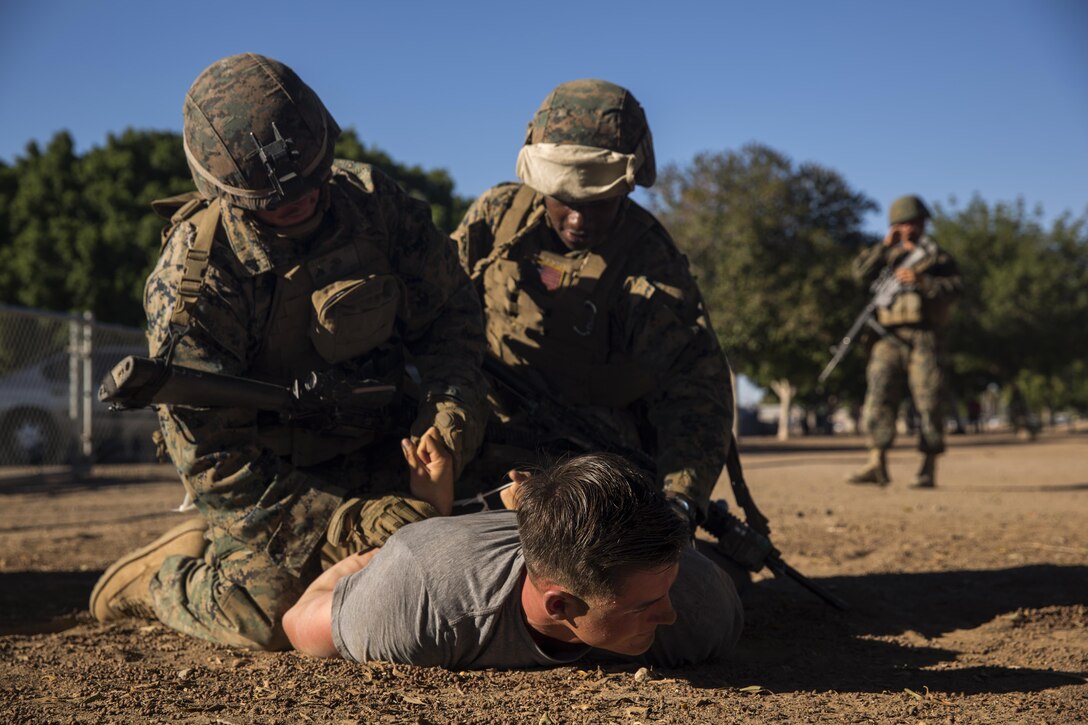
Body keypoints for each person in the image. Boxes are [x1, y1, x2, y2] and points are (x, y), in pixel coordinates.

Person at [89, 53, 488, 650]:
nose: (296, 201)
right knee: (271, 613)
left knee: (516, 512)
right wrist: (345, 523)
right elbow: (216, 462)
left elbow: (452, 319)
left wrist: (448, 418)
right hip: (280, 484)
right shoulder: (196, 284)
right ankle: (158, 578)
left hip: (392, 449)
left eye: (309, 179)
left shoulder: (375, 204)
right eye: (269, 197)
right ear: (219, 189)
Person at [451, 79, 734, 528]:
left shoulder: (649, 260)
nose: (578, 219)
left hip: (590, 461)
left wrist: (679, 499)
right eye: (564, 197)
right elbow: (434, 316)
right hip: (483, 437)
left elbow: (694, 389)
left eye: (599, 201)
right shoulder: (497, 217)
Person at [283, 452, 743, 669]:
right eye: (645, 607)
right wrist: (362, 565)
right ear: (559, 606)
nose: (670, 613)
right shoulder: (417, 603)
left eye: (665, 591)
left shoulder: (699, 604)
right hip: (423, 545)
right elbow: (294, 622)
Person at [847, 195, 961, 488]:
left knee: (929, 400)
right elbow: (859, 274)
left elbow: (956, 288)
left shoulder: (938, 258)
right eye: (903, 224)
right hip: (888, 336)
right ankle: (876, 462)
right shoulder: (886, 256)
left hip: (924, 336)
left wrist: (923, 282)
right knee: (879, 396)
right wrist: (885, 247)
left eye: (914, 223)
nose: (909, 228)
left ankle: (928, 466)